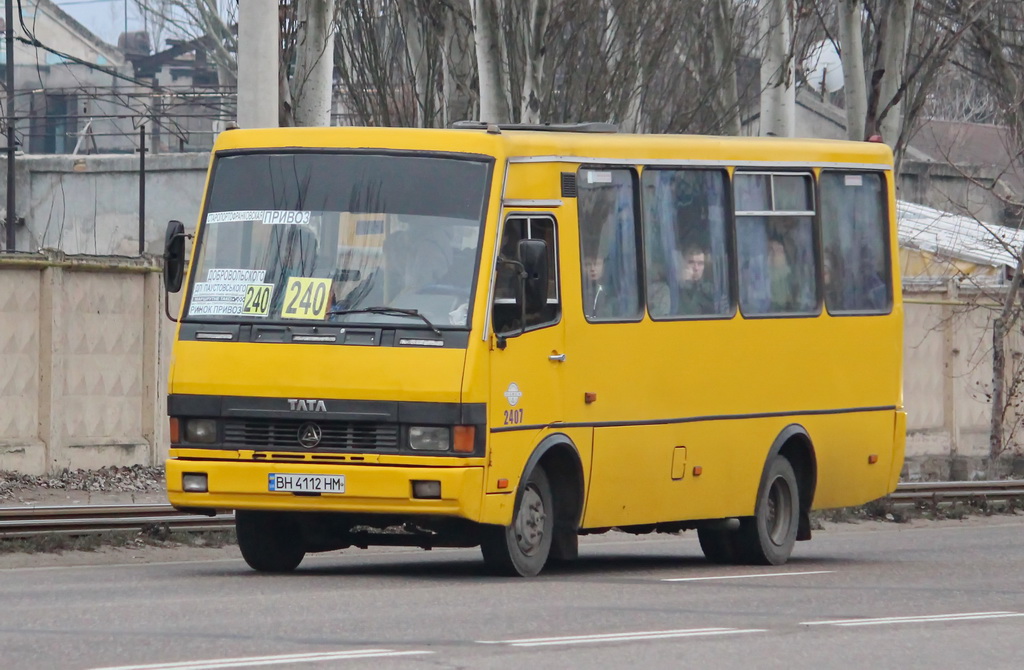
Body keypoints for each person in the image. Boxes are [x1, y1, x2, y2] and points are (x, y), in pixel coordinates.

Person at [649, 243, 714, 316]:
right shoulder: (667, 290)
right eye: (691, 262)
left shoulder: (709, 291)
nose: (696, 268)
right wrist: (682, 283)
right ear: (682, 264)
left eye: (700, 263)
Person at [582, 252, 610, 318]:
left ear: (603, 266)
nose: (592, 268)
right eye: (588, 264)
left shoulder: (610, 293)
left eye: (597, 264)